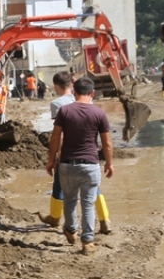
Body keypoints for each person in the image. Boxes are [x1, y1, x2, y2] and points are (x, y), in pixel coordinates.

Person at [46, 77, 114, 255]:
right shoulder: (99, 113)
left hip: (67, 164)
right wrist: (109, 163)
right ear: (92, 93)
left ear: (74, 91)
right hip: (90, 165)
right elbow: (107, 143)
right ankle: (88, 241)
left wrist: (51, 160)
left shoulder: (65, 111)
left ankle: (71, 230)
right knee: (88, 204)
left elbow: (55, 138)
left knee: (69, 200)